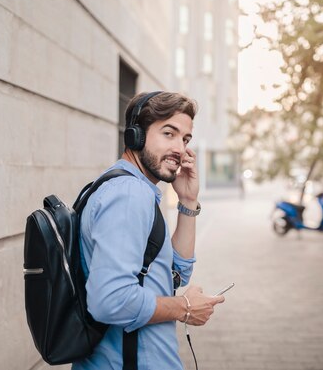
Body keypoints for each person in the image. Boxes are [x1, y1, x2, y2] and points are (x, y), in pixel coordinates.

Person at [73, 91, 225, 370]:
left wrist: (188, 202)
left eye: (185, 139)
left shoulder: (134, 189)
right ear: (136, 135)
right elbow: (109, 300)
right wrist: (185, 308)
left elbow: (173, 274)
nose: (180, 149)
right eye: (169, 133)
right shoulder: (129, 195)